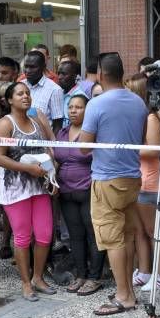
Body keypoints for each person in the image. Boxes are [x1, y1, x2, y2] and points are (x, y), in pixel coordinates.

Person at [79, 53, 148, 316]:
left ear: (101, 74)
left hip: (107, 179)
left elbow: (85, 147)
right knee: (127, 235)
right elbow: (141, 140)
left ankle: (123, 296)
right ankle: (127, 291)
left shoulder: (96, 104)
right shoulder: (138, 102)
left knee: (113, 239)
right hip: (132, 177)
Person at [0, 82, 56, 301]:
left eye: (27, 93)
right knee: (22, 237)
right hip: (15, 187)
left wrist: (52, 173)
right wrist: (28, 168)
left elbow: (47, 148)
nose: (25, 96)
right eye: (20, 94)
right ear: (10, 100)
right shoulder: (4, 124)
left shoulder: (36, 121)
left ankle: (38, 277)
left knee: (45, 233)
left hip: (39, 185)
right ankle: (25, 282)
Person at [55, 94, 104, 296]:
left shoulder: (93, 133)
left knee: (93, 235)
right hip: (66, 191)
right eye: (71, 107)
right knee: (75, 236)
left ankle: (95, 277)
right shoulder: (62, 132)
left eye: (79, 107)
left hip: (87, 190)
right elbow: (57, 158)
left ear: (88, 110)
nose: (73, 110)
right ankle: (81, 275)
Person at [125, 74, 160, 292]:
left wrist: (128, 148)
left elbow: (154, 149)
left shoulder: (150, 118)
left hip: (150, 181)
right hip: (135, 179)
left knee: (154, 231)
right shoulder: (135, 118)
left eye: (130, 91)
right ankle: (144, 271)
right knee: (138, 230)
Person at [57, 59, 89, 128]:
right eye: (58, 73)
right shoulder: (58, 93)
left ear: (74, 76)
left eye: (64, 74)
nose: (59, 77)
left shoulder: (81, 97)